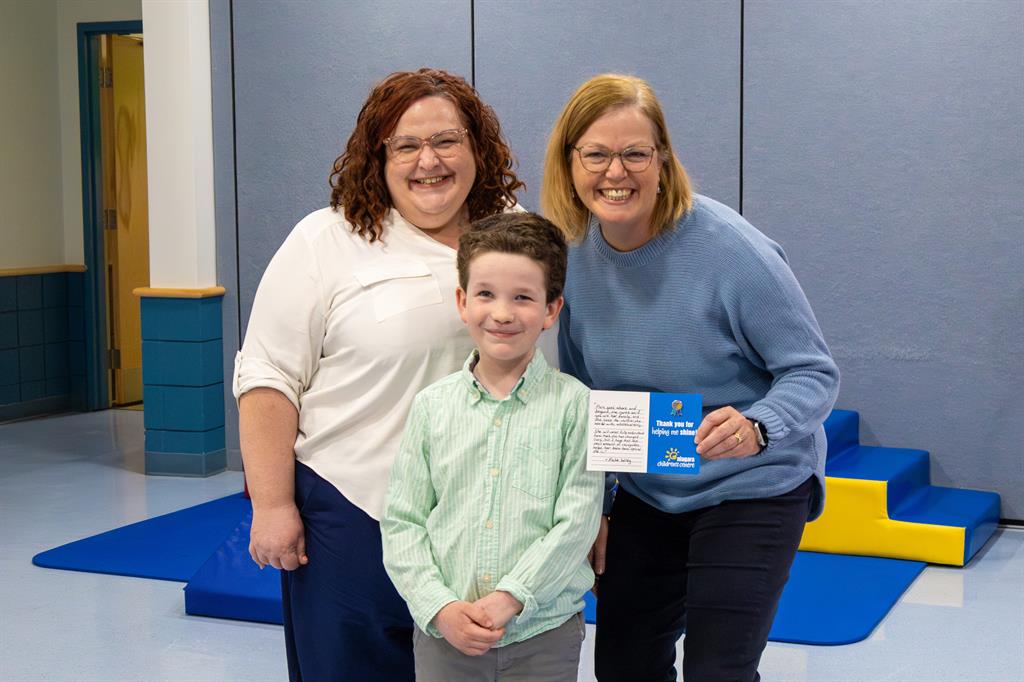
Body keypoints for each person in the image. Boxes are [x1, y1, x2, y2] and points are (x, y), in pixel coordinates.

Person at [541, 74, 841, 682]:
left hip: (750, 483)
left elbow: (812, 372)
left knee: (716, 670)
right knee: (624, 665)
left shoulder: (729, 249)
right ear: (570, 163)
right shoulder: (571, 256)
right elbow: (584, 398)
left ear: (663, 160)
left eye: (635, 154)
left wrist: (759, 426)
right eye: (595, 154)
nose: (615, 172)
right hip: (650, 488)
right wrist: (594, 508)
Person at [233, 68, 523, 682]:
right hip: (355, 511)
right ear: (378, 156)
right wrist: (273, 503)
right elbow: (267, 377)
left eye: (447, 141)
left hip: (482, 515)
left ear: (477, 148)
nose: (429, 161)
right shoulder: (327, 239)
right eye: (406, 145)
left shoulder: (515, 233)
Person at [381, 212, 603, 682]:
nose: (502, 313)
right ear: (462, 301)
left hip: (543, 633)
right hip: (446, 633)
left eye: (523, 298)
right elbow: (403, 521)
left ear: (551, 310)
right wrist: (437, 606)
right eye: (485, 294)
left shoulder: (577, 407)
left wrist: (512, 596)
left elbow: (577, 522)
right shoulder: (431, 407)